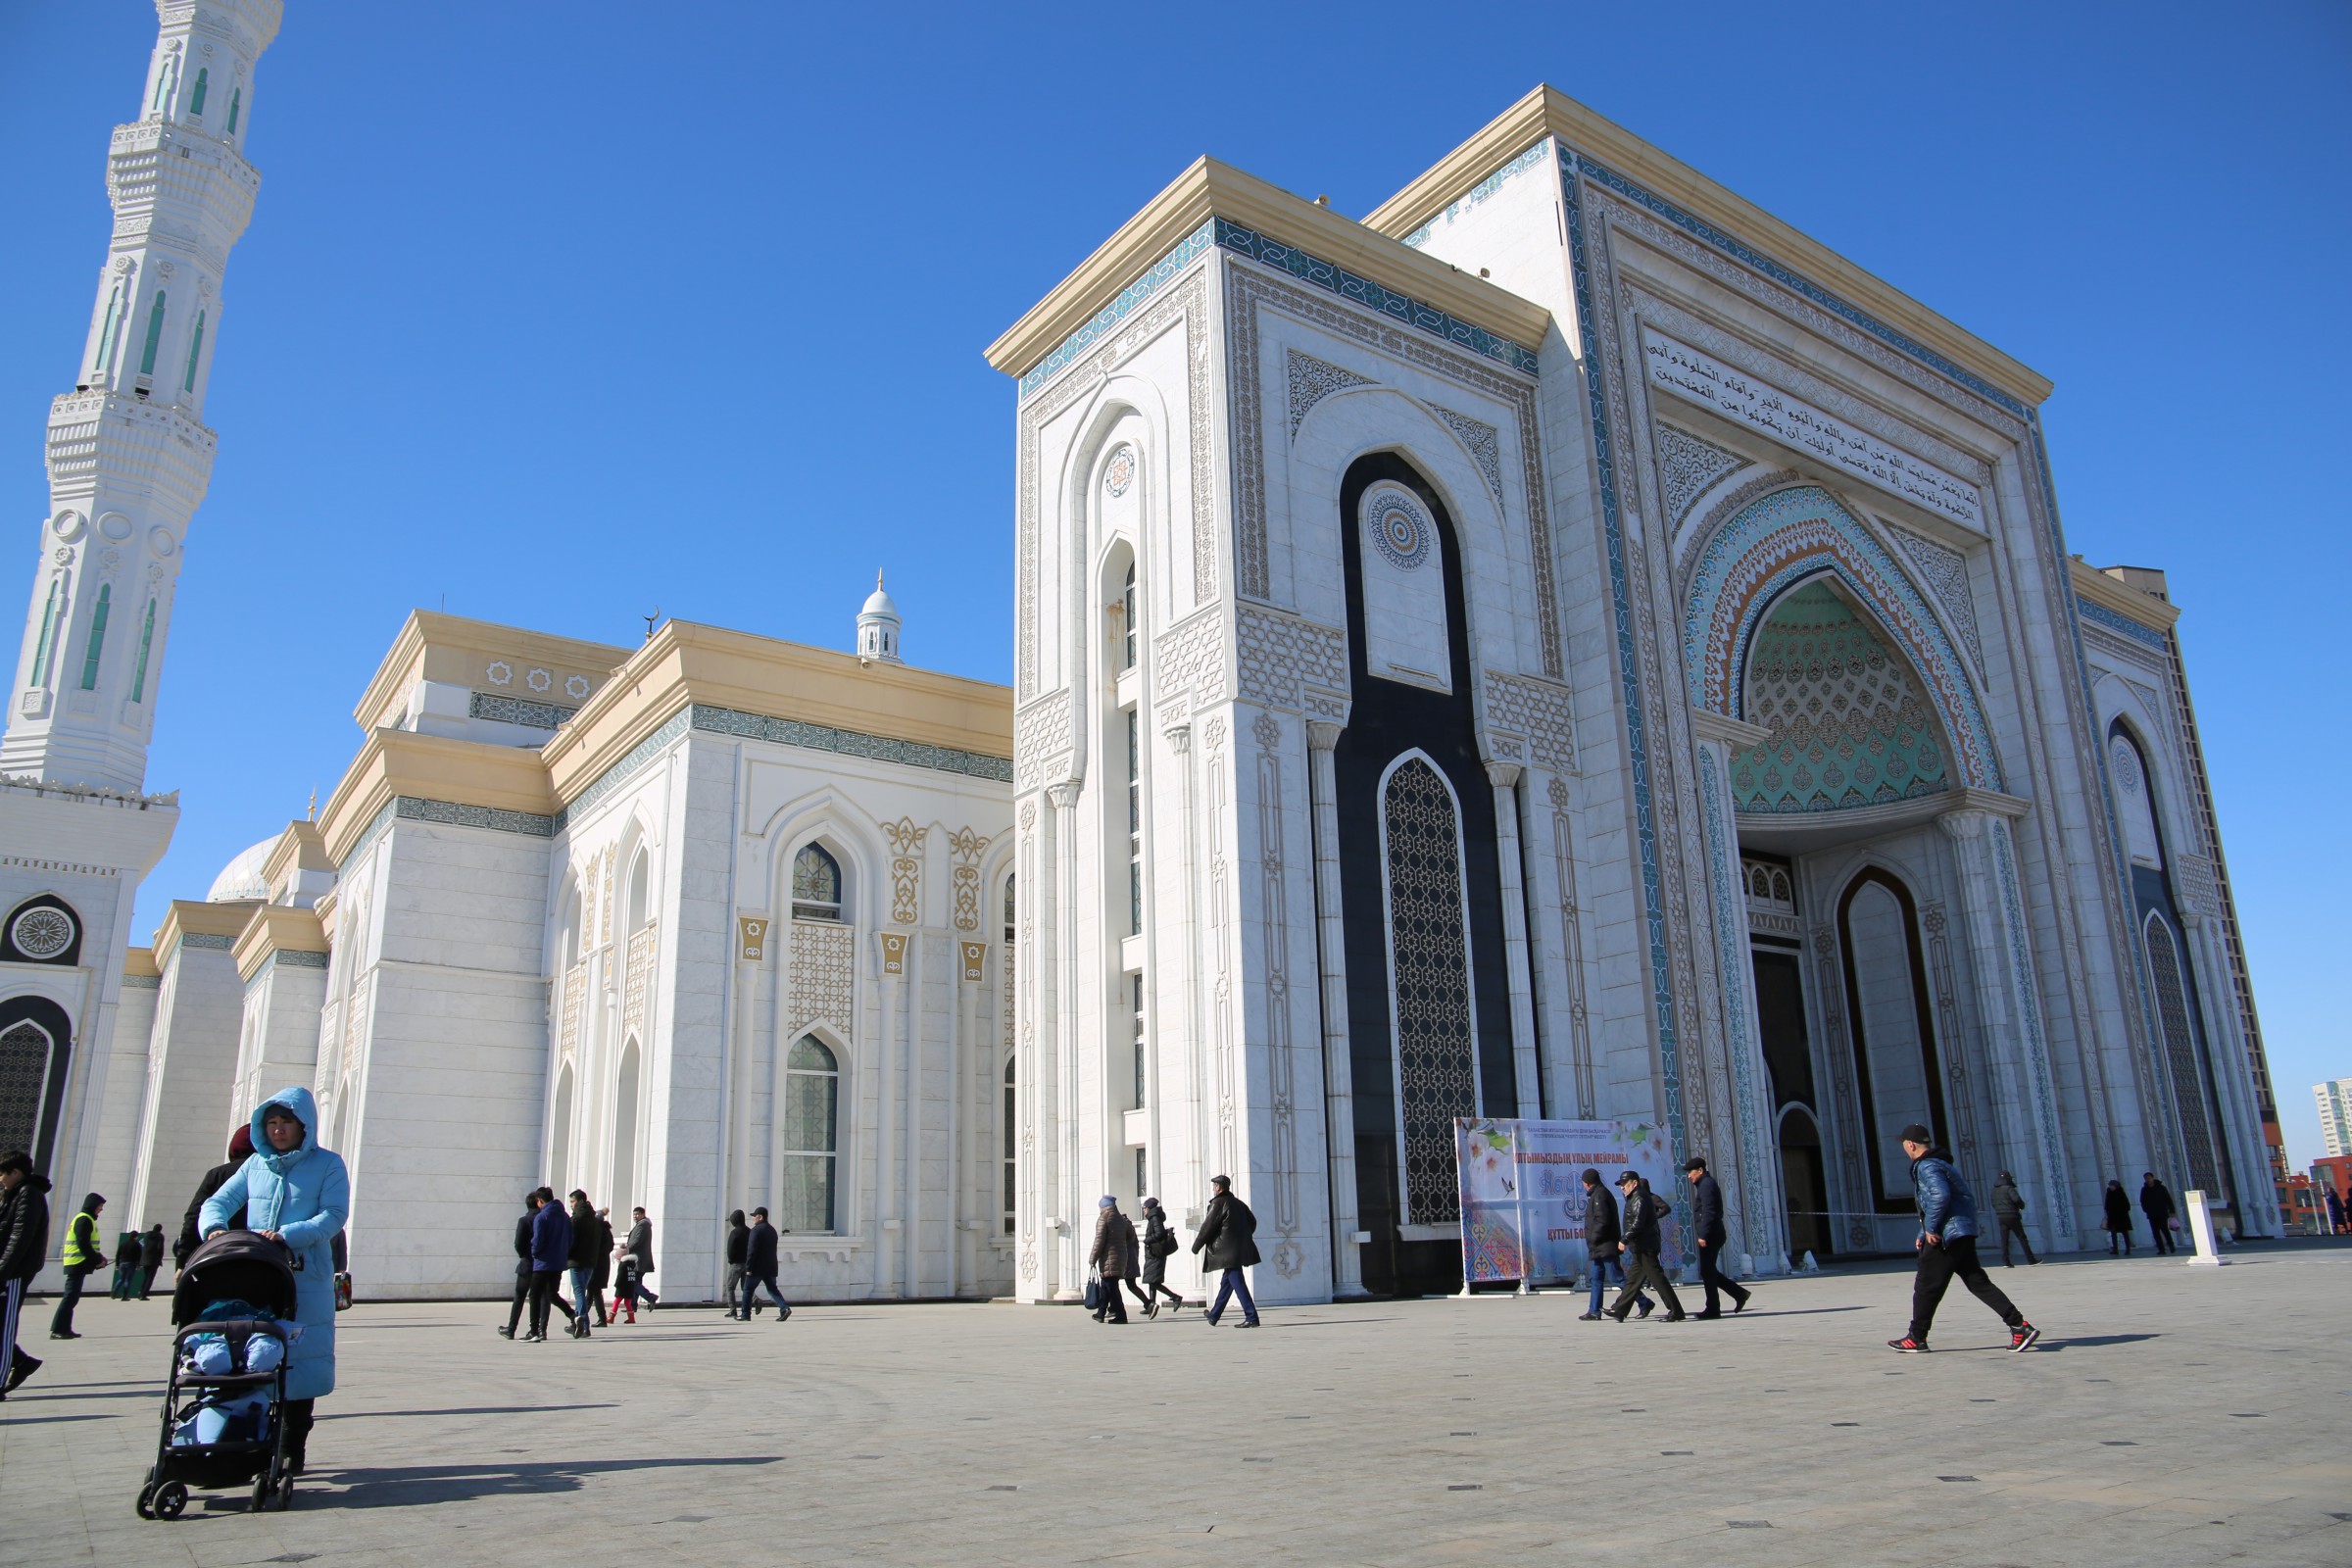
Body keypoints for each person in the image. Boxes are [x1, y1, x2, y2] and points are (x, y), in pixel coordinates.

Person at [201, 1087, 351, 1471]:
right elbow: (218, 1202)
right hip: (259, 1276)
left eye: (286, 1122)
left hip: (306, 1277)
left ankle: (290, 1449)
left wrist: (287, 1236)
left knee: (301, 1365)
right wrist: (215, 1228)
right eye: (271, 1122)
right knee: (255, 1356)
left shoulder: (328, 1165)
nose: (279, 1130)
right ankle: (249, 1442)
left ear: (304, 1126)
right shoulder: (255, 1166)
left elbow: (333, 1215)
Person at [1886, 1125, 2038, 1354]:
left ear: (1910, 1145)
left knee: (1926, 1286)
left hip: (1946, 1237)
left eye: (1904, 1145)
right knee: (1977, 1282)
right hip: (1960, 1232)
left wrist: (1930, 1229)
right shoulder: (1941, 1163)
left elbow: (1940, 1196)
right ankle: (2020, 1326)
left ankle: (1916, 1337)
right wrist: (1923, 1231)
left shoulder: (1926, 1166)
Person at [0, 1152, 51, 1399]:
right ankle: (22, 1362)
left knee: (4, 1328)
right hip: (7, 1271)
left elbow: (19, 1238)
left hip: (14, 1273)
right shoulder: (15, 1195)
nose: (0, 1179)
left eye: (2, 1174)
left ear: (16, 1173)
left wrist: (2, 1272)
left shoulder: (29, 1195)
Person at [1606, 1171, 1685, 1323]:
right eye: (1621, 1185)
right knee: (1633, 1281)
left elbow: (1638, 1223)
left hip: (1645, 1246)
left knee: (1657, 1279)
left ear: (1634, 1183)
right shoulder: (1636, 1197)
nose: (1622, 1187)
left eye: (1625, 1184)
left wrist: (1625, 1239)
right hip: (1641, 1246)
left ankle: (1676, 1311)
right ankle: (1620, 1309)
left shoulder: (1639, 1198)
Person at [175, 1125, 253, 1269]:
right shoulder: (273, 1174)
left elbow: (193, 1216)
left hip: (218, 1252)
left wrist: (183, 1260)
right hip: (258, 1253)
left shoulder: (217, 1174)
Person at [1683, 1156, 1751, 1318]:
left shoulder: (1706, 1185)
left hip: (1711, 1235)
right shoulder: (1705, 1184)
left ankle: (1713, 1308)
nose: (1689, 1176)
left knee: (1707, 1271)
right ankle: (1738, 1294)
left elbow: (1709, 1211)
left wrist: (1704, 1235)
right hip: (1712, 1234)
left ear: (1700, 1170)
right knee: (1708, 1271)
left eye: (1691, 1172)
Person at [498, 1192, 572, 1339]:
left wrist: (528, 1255)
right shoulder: (555, 1217)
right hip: (548, 1263)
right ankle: (542, 1329)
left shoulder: (527, 1220)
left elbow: (519, 1244)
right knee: (545, 1297)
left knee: (521, 1296)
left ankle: (512, 1328)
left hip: (530, 1263)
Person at [1579, 1168, 1648, 1321]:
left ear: (1587, 1183)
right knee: (1595, 1278)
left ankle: (1644, 1302)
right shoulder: (1598, 1194)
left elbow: (1602, 1220)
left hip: (1605, 1245)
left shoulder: (1600, 1195)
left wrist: (1593, 1237)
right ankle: (1594, 1310)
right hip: (1599, 1247)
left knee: (1617, 1278)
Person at [1191, 1174, 1260, 1328]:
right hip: (1237, 1250)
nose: (1213, 1189)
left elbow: (1207, 1227)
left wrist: (1196, 1246)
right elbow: (1253, 1222)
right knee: (1227, 1282)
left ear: (1218, 1188)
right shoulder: (1239, 1204)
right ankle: (1214, 1315)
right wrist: (1242, 1238)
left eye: (1214, 1186)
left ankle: (1251, 1316)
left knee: (1237, 1281)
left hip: (1226, 1251)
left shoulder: (1218, 1203)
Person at [48, 1192, 105, 1339]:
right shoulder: (84, 1220)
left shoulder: (86, 1219)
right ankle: (58, 1330)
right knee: (70, 1297)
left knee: (72, 1298)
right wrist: (97, 1260)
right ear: (93, 1206)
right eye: (100, 1206)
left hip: (78, 1263)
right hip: (76, 1263)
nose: (101, 1209)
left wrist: (99, 1258)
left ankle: (65, 1328)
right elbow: (83, 1244)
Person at [521, 1185, 570, 1343]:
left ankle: (534, 1331)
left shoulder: (542, 1217)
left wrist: (535, 1253)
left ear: (540, 1201)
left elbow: (537, 1240)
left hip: (543, 1262)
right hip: (559, 1261)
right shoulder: (564, 1216)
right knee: (551, 1294)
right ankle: (573, 1316)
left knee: (535, 1295)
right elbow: (570, 1238)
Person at [737, 1206, 792, 1322]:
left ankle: (745, 1314)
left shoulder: (756, 1230)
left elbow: (751, 1250)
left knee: (747, 1289)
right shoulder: (772, 1230)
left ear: (760, 1217)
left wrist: (748, 1267)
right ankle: (784, 1308)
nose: (753, 1218)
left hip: (757, 1267)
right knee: (772, 1289)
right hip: (771, 1266)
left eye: (754, 1216)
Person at [1088, 1196, 1137, 1324]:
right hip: (1121, 1257)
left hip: (1108, 1259)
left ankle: (1121, 1315)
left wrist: (1093, 1258)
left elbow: (1099, 1241)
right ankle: (1100, 1313)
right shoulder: (1121, 1219)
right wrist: (1121, 1245)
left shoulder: (1103, 1219)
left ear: (1103, 1207)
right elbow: (1132, 1234)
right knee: (1106, 1286)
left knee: (1112, 1288)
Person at [1135, 1197, 1184, 1316]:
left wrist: (1147, 1240)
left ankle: (1175, 1297)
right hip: (1153, 1254)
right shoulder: (1153, 1218)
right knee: (1152, 1281)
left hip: (1156, 1254)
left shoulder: (1155, 1218)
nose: (1143, 1210)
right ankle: (1151, 1305)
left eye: (1144, 1208)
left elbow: (1160, 1233)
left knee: (1154, 1282)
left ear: (1149, 1208)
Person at [564, 1190, 601, 1339]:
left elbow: (571, 1241)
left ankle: (584, 1326)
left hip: (577, 1260)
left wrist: (566, 1255)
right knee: (582, 1292)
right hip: (591, 1260)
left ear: (580, 1201)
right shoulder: (595, 1220)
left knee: (579, 1293)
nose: (571, 1205)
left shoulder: (576, 1220)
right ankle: (576, 1324)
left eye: (572, 1201)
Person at [1989, 1171, 2037, 1266]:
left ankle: (2006, 1262)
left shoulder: (1994, 1191)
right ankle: (2031, 1260)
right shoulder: (2009, 1188)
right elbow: (2016, 1199)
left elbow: (1993, 1203)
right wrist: (2021, 1206)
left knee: (2004, 1240)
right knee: (2022, 1238)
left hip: (2001, 1217)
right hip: (2012, 1216)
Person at [620, 1206, 659, 1312]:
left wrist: (626, 1248)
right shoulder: (642, 1224)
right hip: (639, 1259)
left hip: (638, 1259)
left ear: (642, 1214)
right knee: (636, 1281)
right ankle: (632, 1306)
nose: (635, 1216)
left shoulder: (643, 1225)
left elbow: (636, 1241)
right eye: (634, 1214)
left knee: (633, 1282)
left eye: (637, 1214)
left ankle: (650, 1297)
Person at [2140, 1173, 2178, 1256]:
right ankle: (2161, 1249)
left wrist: (2172, 1210)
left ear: (2153, 1178)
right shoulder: (2144, 1189)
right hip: (2151, 1214)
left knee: (2164, 1229)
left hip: (2162, 1212)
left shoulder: (2161, 1188)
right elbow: (2143, 1201)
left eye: (2149, 1178)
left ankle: (2171, 1245)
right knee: (2155, 1232)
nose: (2148, 1180)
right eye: (2146, 1179)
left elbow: (2168, 1199)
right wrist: (2146, 1210)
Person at [722, 1208, 750, 1316]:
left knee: (730, 1287)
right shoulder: (749, 1231)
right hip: (747, 1263)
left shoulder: (735, 1233)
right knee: (745, 1287)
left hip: (736, 1264)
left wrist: (730, 1260)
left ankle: (733, 1310)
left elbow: (731, 1249)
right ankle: (755, 1299)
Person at [589, 1207, 613, 1326]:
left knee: (594, 1292)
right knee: (592, 1292)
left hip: (596, 1264)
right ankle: (581, 1317)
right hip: (602, 1264)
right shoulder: (606, 1231)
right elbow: (610, 1247)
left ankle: (600, 1318)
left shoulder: (598, 1231)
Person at [2102, 1179, 2135, 1255]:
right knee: (2113, 1234)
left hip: (2122, 1217)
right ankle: (2115, 1250)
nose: (2110, 1187)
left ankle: (2128, 1249)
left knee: (2125, 1233)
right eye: (2110, 1185)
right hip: (2113, 1218)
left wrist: (2121, 1211)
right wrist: (2109, 1213)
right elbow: (2107, 1205)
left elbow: (2127, 1205)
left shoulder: (2121, 1193)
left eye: (2112, 1185)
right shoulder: (2109, 1194)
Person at [112, 1222, 143, 1298]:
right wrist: (139, 1265)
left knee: (121, 1279)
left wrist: (117, 1264)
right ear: (136, 1237)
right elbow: (139, 1255)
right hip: (131, 1263)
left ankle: (114, 1293)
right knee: (128, 1280)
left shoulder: (123, 1244)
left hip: (122, 1263)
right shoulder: (137, 1245)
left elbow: (118, 1254)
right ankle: (124, 1296)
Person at [138, 1224, 166, 1298]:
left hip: (145, 1259)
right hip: (154, 1260)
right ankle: (144, 1295)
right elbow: (160, 1248)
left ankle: (140, 1292)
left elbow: (143, 1244)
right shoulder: (160, 1236)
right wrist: (160, 1259)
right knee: (150, 1278)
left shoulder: (147, 1235)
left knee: (146, 1277)